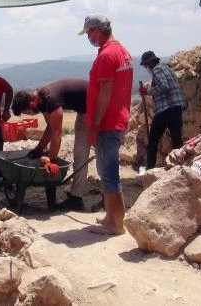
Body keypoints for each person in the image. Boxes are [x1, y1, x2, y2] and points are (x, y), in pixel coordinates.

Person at [79, 14, 133, 235]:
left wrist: (95, 124)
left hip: (108, 122)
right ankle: (111, 216)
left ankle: (116, 223)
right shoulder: (122, 52)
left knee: (109, 171)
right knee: (105, 170)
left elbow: (105, 93)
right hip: (118, 118)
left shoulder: (106, 56)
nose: (88, 38)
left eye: (89, 34)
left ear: (97, 31)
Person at [11, 79, 89, 212]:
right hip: (84, 109)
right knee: (80, 154)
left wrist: (51, 159)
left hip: (98, 106)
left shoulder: (50, 99)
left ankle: (107, 199)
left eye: (28, 112)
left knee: (99, 154)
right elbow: (50, 127)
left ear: (31, 103)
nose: (30, 114)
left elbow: (58, 133)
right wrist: (39, 149)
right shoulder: (40, 100)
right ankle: (76, 199)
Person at [139, 50, 188, 170]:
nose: (146, 68)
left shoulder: (156, 70)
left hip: (165, 109)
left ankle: (149, 170)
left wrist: (148, 91)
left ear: (150, 63)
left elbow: (164, 86)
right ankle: (180, 170)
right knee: (177, 141)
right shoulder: (167, 69)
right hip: (176, 108)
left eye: (146, 65)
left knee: (153, 141)